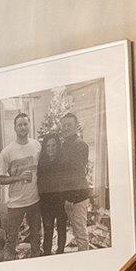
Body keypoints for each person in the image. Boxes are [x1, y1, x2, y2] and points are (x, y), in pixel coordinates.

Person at [40, 107, 97, 252]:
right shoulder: (63, 145)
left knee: (80, 234)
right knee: (72, 232)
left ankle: (85, 260)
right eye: (63, 125)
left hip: (77, 197)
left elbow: (78, 173)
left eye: (69, 125)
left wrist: (70, 198)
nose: (65, 128)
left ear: (76, 126)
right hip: (67, 198)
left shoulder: (80, 145)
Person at [0, 108, 42, 260]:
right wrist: (19, 177)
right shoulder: (7, 152)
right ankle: (9, 266)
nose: (23, 127)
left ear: (29, 125)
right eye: (19, 125)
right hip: (15, 203)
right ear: (14, 127)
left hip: (34, 200)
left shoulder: (36, 146)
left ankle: (37, 263)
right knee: (12, 238)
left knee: (36, 236)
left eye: (25, 124)